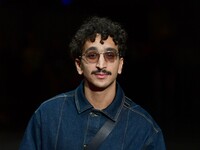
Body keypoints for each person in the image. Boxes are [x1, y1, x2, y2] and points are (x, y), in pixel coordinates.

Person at [19, 16, 166, 150]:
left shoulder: (144, 128)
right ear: (79, 65)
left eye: (110, 55)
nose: (101, 64)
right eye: (92, 55)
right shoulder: (47, 115)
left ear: (120, 65)